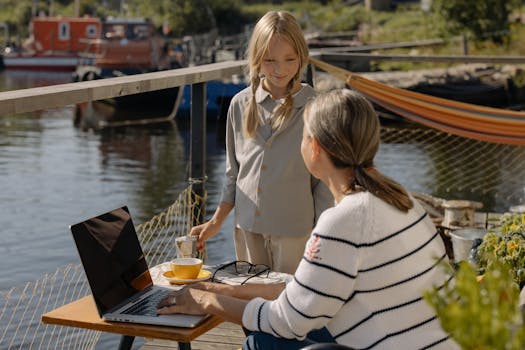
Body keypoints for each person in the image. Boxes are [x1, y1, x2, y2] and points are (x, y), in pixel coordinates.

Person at [158, 89, 459, 350]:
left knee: (260, 341)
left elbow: (285, 321)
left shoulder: (343, 222)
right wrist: (222, 290)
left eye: (302, 135)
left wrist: (205, 302)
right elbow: (309, 288)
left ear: (315, 148)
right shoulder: (401, 199)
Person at [189, 10, 333, 274]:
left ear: (302, 56)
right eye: (270, 60)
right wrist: (216, 221)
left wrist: (323, 234)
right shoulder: (239, 104)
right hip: (247, 230)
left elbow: (323, 182)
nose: (280, 70)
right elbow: (234, 173)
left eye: (290, 59)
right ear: (256, 58)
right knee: (251, 304)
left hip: (295, 233)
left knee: (289, 306)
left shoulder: (317, 108)